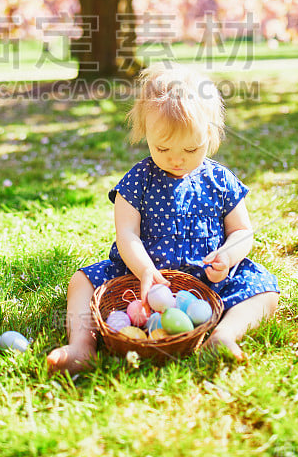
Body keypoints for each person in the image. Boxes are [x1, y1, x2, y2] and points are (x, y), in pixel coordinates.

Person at [47, 63, 280, 374]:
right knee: (81, 282)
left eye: (191, 147)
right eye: (163, 147)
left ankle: (223, 336)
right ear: (145, 134)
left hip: (206, 276)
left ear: (210, 134)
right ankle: (82, 345)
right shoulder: (138, 180)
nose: (176, 158)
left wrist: (227, 255)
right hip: (140, 277)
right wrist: (144, 271)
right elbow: (126, 234)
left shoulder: (220, 179)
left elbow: (242, 232)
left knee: (264, 289)